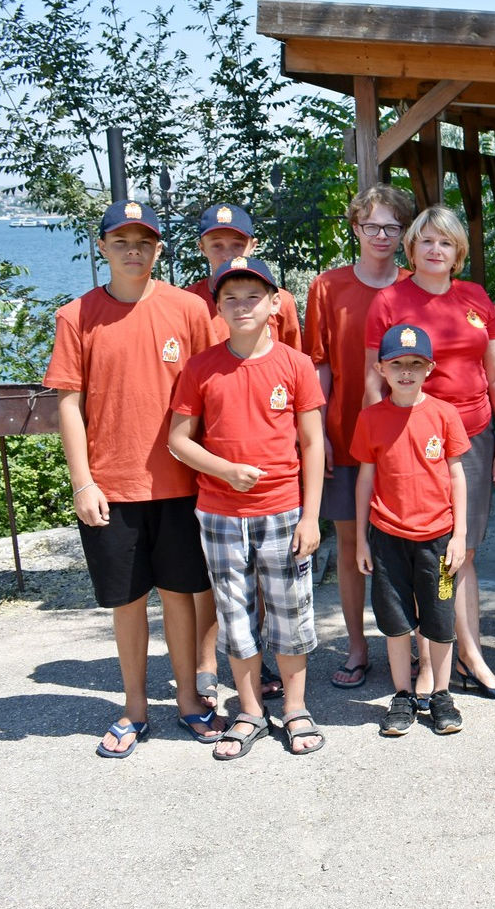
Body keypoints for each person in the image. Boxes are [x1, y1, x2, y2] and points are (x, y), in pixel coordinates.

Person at [45, 200, 216, 758]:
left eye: (143, 241)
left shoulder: (188, 309)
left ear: (159, 248)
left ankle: (189, 699)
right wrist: (83, 482)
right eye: (121, 241)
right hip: (112, 485)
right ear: (102, 248)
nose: (133, 251)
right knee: (127, 600)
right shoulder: (77, 316)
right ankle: (135, 709)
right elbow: (68, 406)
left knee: (182, 596)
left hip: (184, 482)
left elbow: (212, 388)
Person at [168, 256, 326, 758]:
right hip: (219, 514)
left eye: (253, 296)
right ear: (217, 307)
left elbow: (313, 444)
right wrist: (224, 470)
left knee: (289, 611)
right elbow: (178, 440)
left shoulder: (295, 365)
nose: (242, 306)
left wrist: (310, 515)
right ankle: (250, 711)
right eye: (230, 298)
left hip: (283, 511)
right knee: (236, 617)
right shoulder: (201, 367)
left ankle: (296, 709)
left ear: (275, 303)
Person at [363, 206, 495, 699]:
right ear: (410, 248)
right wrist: (383, 444)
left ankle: (468, 654)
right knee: (420, 554)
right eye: (426, 241)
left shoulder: (474, 298)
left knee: (461, 552)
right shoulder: (389, 300)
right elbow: (374, 379)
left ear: (459, 252)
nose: (435, 250)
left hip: (471, 437)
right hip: (409, 440)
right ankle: (433, 663)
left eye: (446, 242)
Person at [303, 183, 414, 689]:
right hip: (346, 433)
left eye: (393, 227)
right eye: (372, 226)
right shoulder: (327, 287)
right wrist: (319, 431)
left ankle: (408, 640)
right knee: (350, 546)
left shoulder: (416, 285)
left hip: (404, 439)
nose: (382, 236)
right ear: (355, 228)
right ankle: (355, 645)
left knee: (406, 542)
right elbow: (319, 366)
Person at [351, 324, 470, 736]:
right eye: (397, 364)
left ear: (429, 368)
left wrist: (459, 536)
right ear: (382, 368)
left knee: (439, 620)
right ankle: (402, 696)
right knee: (396, 621)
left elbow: (457, 476)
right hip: (387, 539)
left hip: (437, 540)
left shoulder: (443, 414)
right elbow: (365, 480)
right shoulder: (370, 419)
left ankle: (440, 694)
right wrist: (361, 539)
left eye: (415, 364)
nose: (406, 372)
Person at [185, 203, 302, 349]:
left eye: (237, 245)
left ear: (253, 246)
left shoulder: (279, 301)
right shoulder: (188, 302)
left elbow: (293, 359)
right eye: (217, 246)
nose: (227, 256)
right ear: (202, 247)